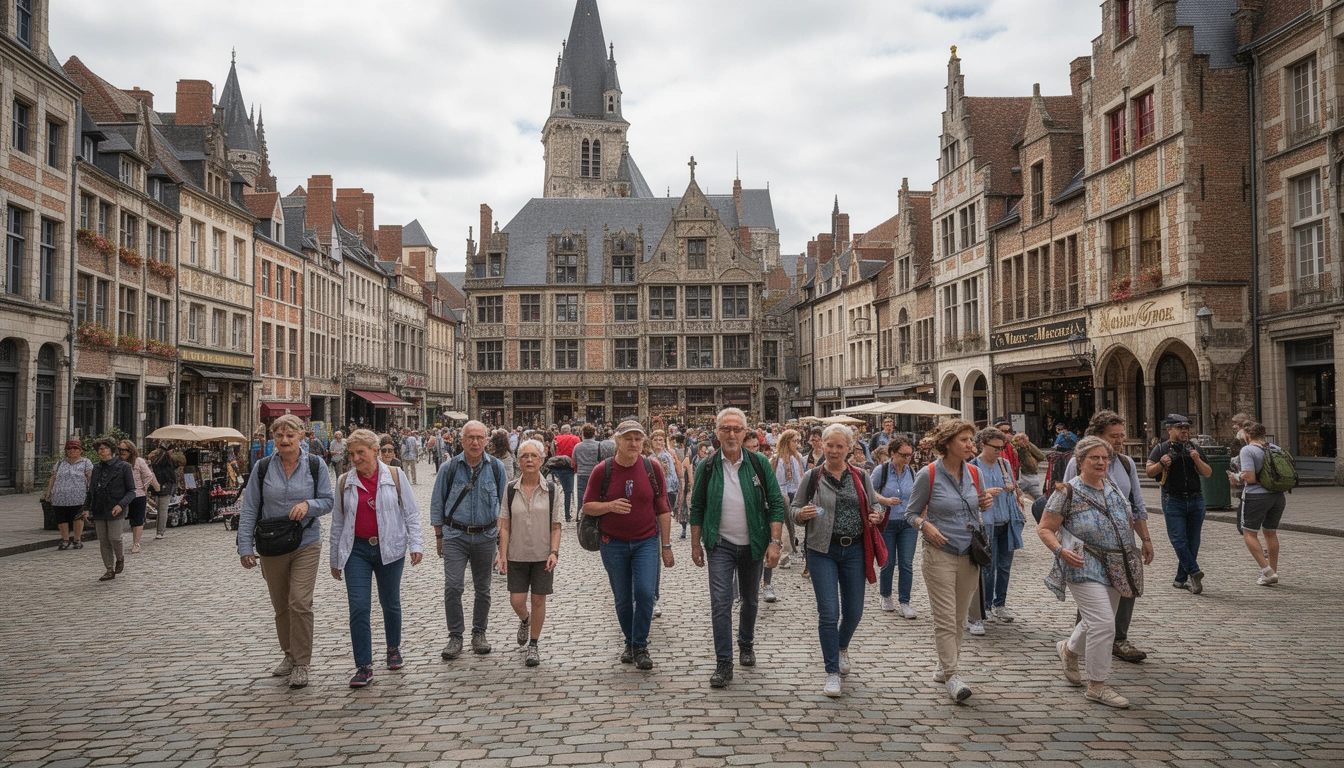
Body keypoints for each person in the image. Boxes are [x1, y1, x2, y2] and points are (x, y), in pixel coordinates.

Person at [1038, 435, 1152, 709]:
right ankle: (1097, 686)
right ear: (1080, 462)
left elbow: (1131, 515)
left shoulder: (1111, 485)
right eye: (1095, 458)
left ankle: (1068, 649)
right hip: (1082, 562)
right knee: (1103, 623)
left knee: (1097, 620)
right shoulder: (1067, 491)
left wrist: (1145, 540)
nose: (1101, 462)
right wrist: (1059, 550)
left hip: (1116, 564)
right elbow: (1044, 528)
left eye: (1105, 458)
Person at [689, 408, 786, 689]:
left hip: (754, 543)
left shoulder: (758, 463)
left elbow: (776, 504)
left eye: (736, 429)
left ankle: (746, 642)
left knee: (751, 600)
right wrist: (696, 544)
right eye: (726, 429)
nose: (731, 435)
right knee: (720, 602)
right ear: (717, 432)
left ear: (745, 432)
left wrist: (775, 542)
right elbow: (697, 507)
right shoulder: (707, 466)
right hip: (720, 544)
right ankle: (723, 662)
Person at [236, 415, 335, 689]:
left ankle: (302, 663)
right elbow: (250, 508)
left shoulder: (315, 465)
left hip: (306, 541)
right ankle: (289, 654)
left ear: (301, 436)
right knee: (281, 606)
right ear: (273, 438)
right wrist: (245, 546)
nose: (284, 440)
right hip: (272, 543)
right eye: (279, 435)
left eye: (290, 435)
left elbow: (328, 500)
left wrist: (308, 505)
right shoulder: (262, 467)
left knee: (299, 602)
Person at [789, 424, 886, 697]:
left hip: (855, 549)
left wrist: (876, 514)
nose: (833, 450)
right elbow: (793, 509)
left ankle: (841, 647)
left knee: (854, 611)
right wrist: (802, 515)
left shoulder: (861, 476)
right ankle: (831, 671)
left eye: (839, 446)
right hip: (823, 550)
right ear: (823, 445)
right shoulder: (812, 476)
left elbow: (873, 504)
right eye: (829, 445)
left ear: (849, 449)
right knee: (829, 612)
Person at [903, 419, 994, 703]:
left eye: (972, 439)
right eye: (965, 440)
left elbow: (977, 506)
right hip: (939, 553)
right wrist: (925, 525)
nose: (971, 444)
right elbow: (910, 513)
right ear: (948, 443)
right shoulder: (928, 474)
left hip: (969, 554)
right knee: (944, 618)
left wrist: (984, 503)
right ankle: (953, 676)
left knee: (958, 618)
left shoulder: (975, 473)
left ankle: (943, 667)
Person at [329, 429, 423, 688]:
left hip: (389, 547)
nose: (356, 458)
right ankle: (364, 665)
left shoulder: (394, 475)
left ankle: (393, 648)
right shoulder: (344, 481)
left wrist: (416, 544)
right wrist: (335, 557)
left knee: (390, 602)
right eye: (351, 454)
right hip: (356, 550)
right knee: (359, 607)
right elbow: (338, 521)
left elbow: (412, 513)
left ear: (374, 450)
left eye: (361, 452)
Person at [581, 420, 675, 670]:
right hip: (614, 544)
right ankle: (630, 642)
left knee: (645, 593)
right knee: (622, 598)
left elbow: (663, 508)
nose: (633, 443)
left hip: (646, 541)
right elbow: (587, 505)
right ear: (617, 441)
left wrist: (666, 546)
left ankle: (640, 645)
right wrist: (610, 506)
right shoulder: (603, 470)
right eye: (628, 439)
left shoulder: (651, 467)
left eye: (637, 439)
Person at [1063, 410, 1154, 663]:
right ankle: (1083, 641)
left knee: (1126, 589)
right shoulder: (1078, 462)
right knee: (1093, 591)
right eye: (1113, 436)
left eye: (1121, 436)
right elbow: (1065, 501)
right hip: (1089, 543)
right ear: (1097, 436)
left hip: (1122, 539)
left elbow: (1137, 504)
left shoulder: (1126, 463)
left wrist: (1145, 540)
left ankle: (1119, 639)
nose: (1119, 441)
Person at [431, 420, 507, 660]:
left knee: (483, 588)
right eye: (470, 438)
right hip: (455, 535)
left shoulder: (496, 468)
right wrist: (439, 536)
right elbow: (437, 503)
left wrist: (503, 541)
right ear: (461, 440)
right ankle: (455, 635)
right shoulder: (449, 468)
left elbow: (505, 507)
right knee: (453, 586)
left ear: (486, 440)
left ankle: (479, 633)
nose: (475, 442)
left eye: (480, 437)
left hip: (486, 536)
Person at [497, 439, 563, 667]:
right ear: (518, 460)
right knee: (516, 600)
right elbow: (504, 523)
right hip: (516, 554)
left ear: (541, 460)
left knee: (538, 599)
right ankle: (524, 620)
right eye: (524, 456)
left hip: (542, 554)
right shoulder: (510, 489)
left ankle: (534, 644)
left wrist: (554, 552)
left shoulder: (552, 490)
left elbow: (556, 525)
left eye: (534, 456)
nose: (529, 460)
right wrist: (502, 554)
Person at [1145, 414, 1212, 594]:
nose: (1184, 431)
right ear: (1169, 430)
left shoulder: (1194, 448)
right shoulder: (1161, 448)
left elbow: (1208, 473)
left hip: (1196, 498)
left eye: (1187, 428)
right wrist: (1161, 463)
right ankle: (1194, 571)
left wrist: (1197, 459)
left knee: (1193, 541)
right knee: (1178, 539)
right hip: (1172, 498)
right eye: (1180, 428)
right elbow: (1150, 472)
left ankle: (1181, 579)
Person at [967, 427, 1022, 633]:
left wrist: (1012, 488)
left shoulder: (1004, 464)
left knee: (1005, 566)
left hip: (1006, 521)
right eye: (996, 447)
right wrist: (985, 492)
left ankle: (1000, 604)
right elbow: (968, 495)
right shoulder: (972, 466)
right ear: (983, 445)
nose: (1000, 451)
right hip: (985, 523)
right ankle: (986, 605)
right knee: (987, 567)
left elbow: (1012, 486)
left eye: (1002, 447)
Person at [1233, 421, 1285, 586]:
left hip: (1256, 496)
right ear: (1263, 435)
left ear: (1247, 436)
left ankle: (1266, 570)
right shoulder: (1275, 448)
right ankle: (1273, 571)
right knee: (1270, 532)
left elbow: (1250, 477)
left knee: (1249, 533)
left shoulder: (1247, 449)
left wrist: (1236, 477)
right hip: (1278, 496)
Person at [873, 436, 918, 618]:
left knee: (906, 563)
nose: (907, 459)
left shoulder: (913, 472)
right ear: (892, 453)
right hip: (888, 522)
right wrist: (884, 500)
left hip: (908, 523)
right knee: (888, 561)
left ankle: (905, 601)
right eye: (903, 455)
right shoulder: (881, 471)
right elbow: (869, 490)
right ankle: (886, 595)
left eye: (910, 455)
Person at [87, 438, 136, 581]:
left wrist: (121, 505)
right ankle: (109, 568)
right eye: (98, 450)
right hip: (99, 507)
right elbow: (91, 491)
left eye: (103, 449)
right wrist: (86, 508)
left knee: (114, 537)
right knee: (103, 540)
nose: (100, 452)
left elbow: (132, 491)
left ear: (112, 450)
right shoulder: (96, 468)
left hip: (116, 507)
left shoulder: (123, 467)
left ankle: (119, 557)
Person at [47, 439, 92, 550]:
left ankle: (77, 539)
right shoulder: (60, 463)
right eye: (69, 448)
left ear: (81, 450)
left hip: (78, 496)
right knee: (62, 518)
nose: (72, 451)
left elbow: (90, 478)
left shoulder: (86, 462)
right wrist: (49, 493)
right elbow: (53, 478)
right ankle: (65, 539)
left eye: (75, 448)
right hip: (60, 496)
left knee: (77, 518)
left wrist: (91, 494)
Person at [117, 440, 159, 555]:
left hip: (137, 495)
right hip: (121, 495)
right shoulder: (117, 463)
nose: (122, 452)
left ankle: (136, 543)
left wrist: (142, 488)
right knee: (118, 519)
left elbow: (148, 476)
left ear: (131, 450)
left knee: (137, 520)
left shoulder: (138, 461)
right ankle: (116, 542)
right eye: (120, 450)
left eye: (125, 450)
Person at [573, 424, 606, 521]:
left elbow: (574, 459)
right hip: (595, 473)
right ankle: (595, 514)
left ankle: (580, 515)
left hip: (582, 473)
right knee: (596, 494)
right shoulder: (599, 445)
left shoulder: (578, 446)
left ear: (582, 434)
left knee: (581, 495)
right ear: (594, 434)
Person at [147, 445, 178, 540]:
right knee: (163, 509)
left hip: (157, 488)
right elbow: (172, 478)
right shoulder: (168, 465)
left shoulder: (154, 466)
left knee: (159, 508)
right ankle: (160, 531)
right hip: (166, 487)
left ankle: (159, 530)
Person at [552, 424, 580, 520]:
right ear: (569, 430)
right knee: (568, 491)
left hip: (558, 465)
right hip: (569, 467)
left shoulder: (557, 439)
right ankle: (567, 514)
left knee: (560, 489)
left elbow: (553, 451)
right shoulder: (575, 439)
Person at [1013, 433, 1046, 501]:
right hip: (1020, 478)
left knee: (1040, 499)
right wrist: (1018, 447)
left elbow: (1041, 457)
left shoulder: (1028, 447)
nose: (1022, 440)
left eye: (1024, 437)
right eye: (1020, 438)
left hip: (1032, 478)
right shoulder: (1014, 448)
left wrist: (1028, 444)